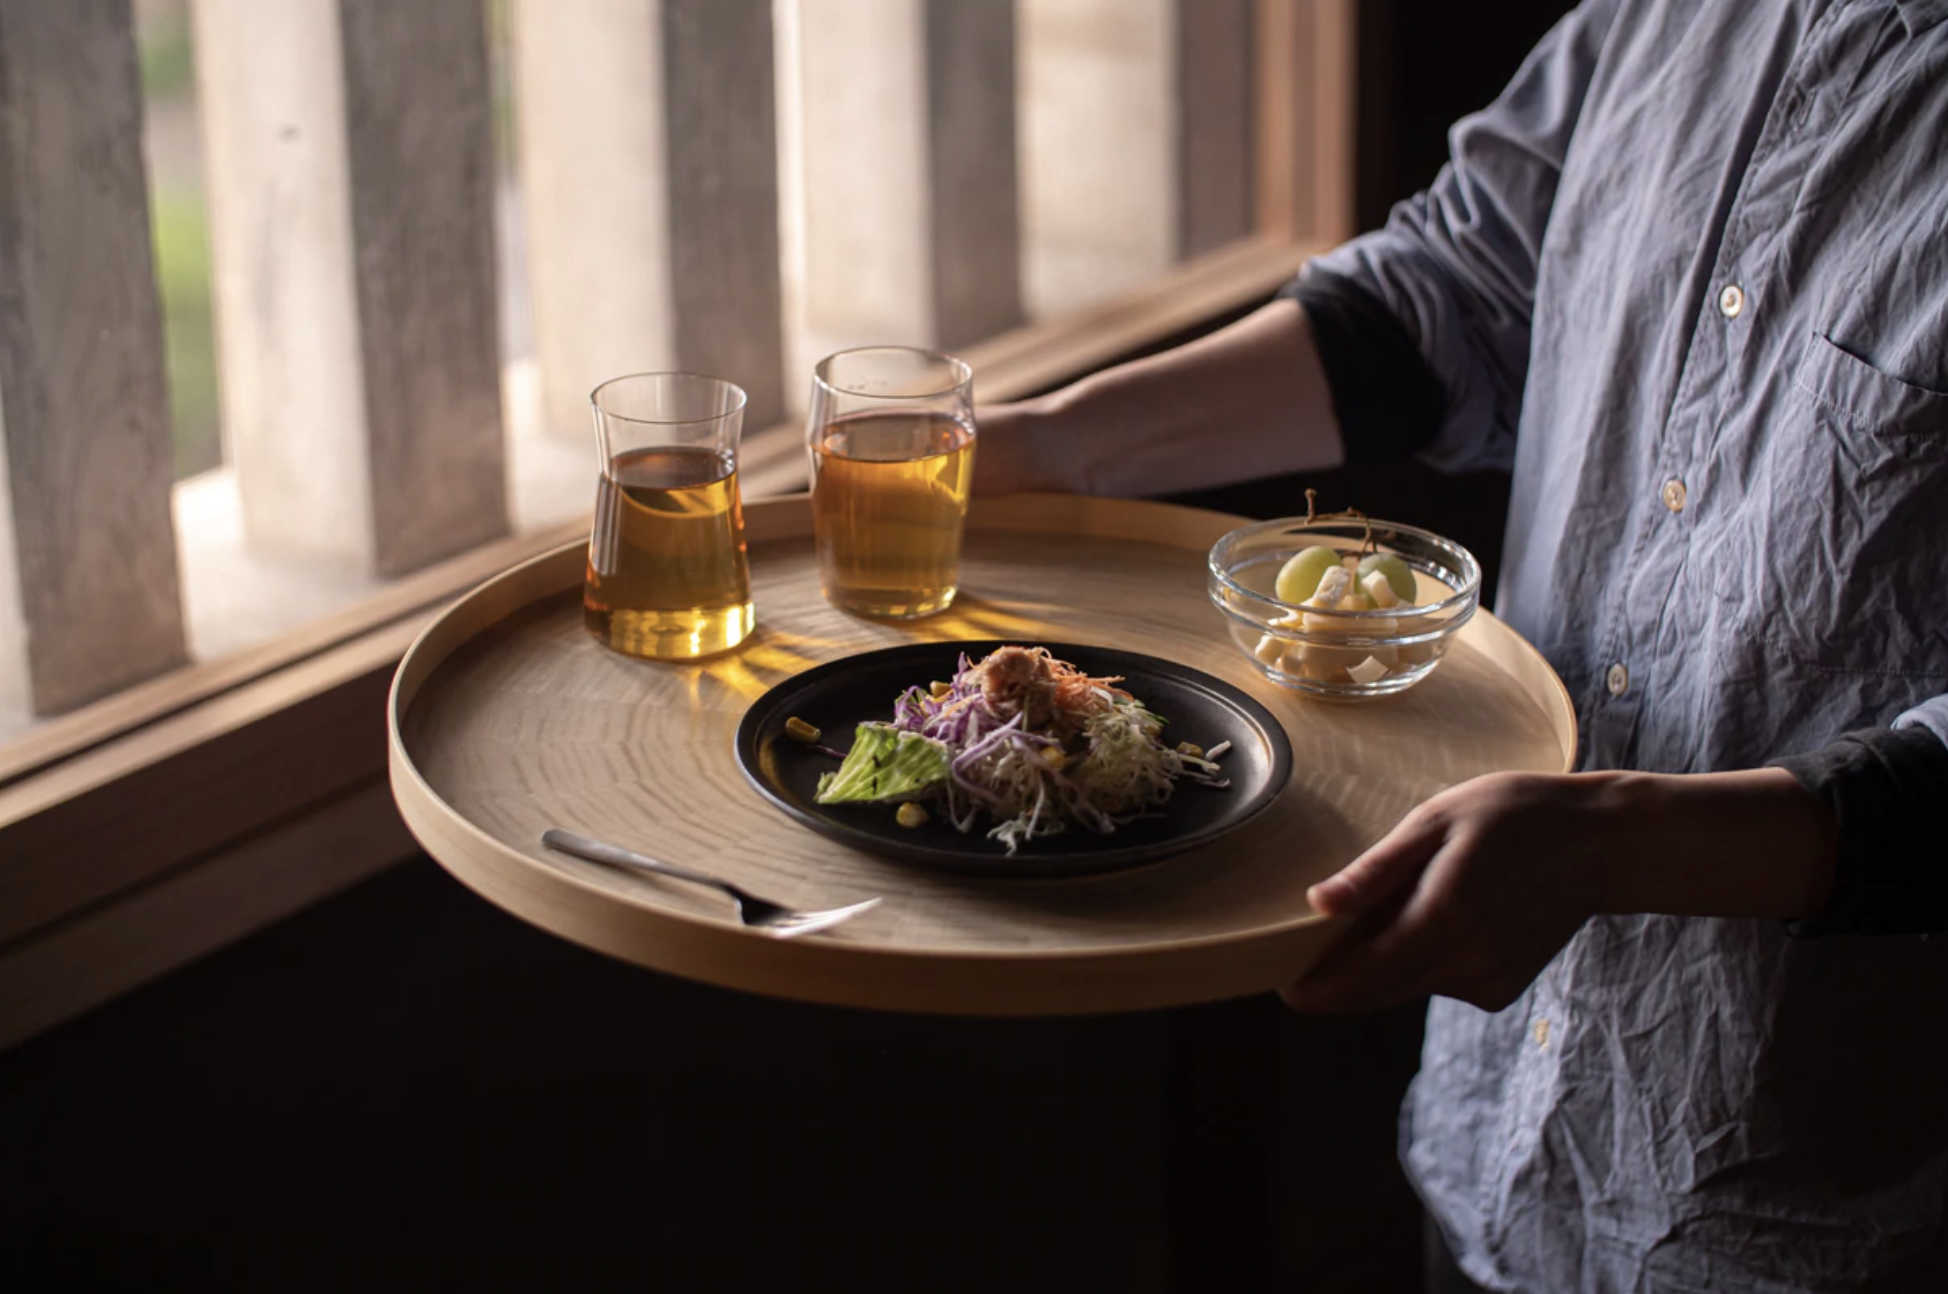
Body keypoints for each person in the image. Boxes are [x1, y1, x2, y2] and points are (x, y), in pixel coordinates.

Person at [974, 1, 1948, 1288]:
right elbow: (1467, 291)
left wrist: (1616, 840)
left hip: (1822, 1191)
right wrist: (1059, 447)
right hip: (1496, 1133)